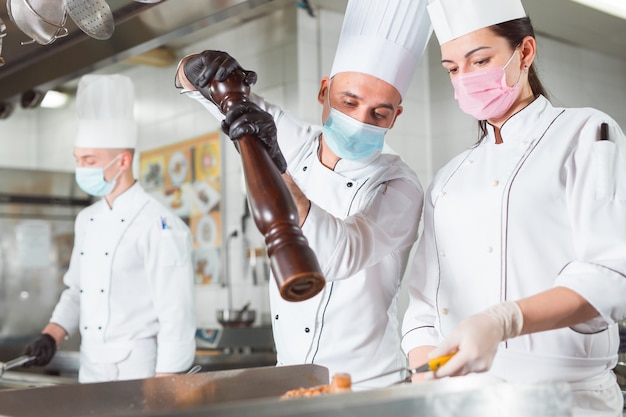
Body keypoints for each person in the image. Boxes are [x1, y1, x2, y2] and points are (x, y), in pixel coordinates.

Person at [175, 0, 431, 389]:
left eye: (379, 113)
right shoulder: (293, 138)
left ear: (396, 116)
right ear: (324, 91)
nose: (361, 121)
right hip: (293, 379)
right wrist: (197, 67)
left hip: (368, 387)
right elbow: (209, 94)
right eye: (349, 102)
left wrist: (277, 172)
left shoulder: (399, 186)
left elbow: (340, 254)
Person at [401, 0, 626, 415]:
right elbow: (423, 307)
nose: (465, 79)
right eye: (452, 68)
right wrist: (424, 368)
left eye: (480, 60)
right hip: (465, 401)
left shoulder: (586, 132)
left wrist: (504, 319)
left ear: (525, 52)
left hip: (567, 400)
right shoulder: (448, 180)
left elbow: (610, 273)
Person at [25, 74, 196, 383]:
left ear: (123, 161)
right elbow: (76, 291)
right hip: (90, 370)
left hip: (139, 371)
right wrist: (51, 334)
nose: (82, 169)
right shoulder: (86, 220)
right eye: (78, 160)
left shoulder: (159, 224)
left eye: (90, 160)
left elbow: (176, 313)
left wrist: (166, 382)